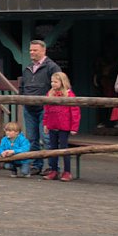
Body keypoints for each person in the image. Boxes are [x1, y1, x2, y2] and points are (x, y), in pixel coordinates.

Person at [19, 39, 61, 175]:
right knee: (32, 139)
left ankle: (53, 167)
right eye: (30, 50)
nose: (32, 52)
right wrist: (22, 98)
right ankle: (36, 165)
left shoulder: (52, 67)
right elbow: (22, 86)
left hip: (46, 108)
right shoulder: (28, 68)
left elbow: (59, 85)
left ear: (43, 50)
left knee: (47, 138)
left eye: (35, 50)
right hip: (29, 107)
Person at [43, 72, 80, 182]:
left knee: (64, 149)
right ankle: (54, 170)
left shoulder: (69, 94)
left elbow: (75, 112)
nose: (53, 84)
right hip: (52, 125)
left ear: (62, 82)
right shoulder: (50, 94)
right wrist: (45, 124)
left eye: (55, 82)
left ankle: (67, 171)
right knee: (52, 149)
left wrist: (74, 127)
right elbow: (46, 110)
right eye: (52, 81)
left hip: (64, 126)